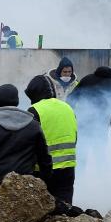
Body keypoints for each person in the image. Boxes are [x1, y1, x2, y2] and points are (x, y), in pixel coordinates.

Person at [0, 84, 52, 184]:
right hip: (25, 186)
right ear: (17, 101)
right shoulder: (33, 125)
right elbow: (45, 160)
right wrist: (42, 184)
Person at [26, 75, 77, 204]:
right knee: (65, 211)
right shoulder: (67, 108)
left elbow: (30, 142)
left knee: (43, 211)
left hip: (44, 170)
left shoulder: (34, 110)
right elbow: (75, 137)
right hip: (68, 167)